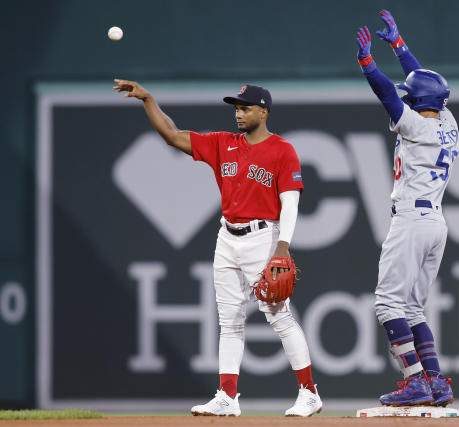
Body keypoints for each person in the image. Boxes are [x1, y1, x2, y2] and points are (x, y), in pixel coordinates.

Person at [113, 80, 323, 417]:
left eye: (245, 107)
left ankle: (309, 392)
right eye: (236, 108)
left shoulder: (282, 150)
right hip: (226, 237)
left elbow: (291, 204)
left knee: (278, 316)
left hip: (262, 238)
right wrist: (149, 99)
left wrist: (282, 247)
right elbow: (173, 135)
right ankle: (227, 396)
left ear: (264, 111)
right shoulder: (222, 144)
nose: (238, 113)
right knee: (230, 321)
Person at [355, 9, 458, 407]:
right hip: (436, 223)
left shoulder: (415, 126)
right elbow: (425, 84)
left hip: (412, 221)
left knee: (387, 303)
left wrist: (368, 64)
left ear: (416, 103)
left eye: (409, 96)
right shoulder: (448, 121)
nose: (404, 97)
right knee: (413, 307)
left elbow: (385, 92)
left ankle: (415, 381)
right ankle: (436, 383)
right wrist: (400, 48)